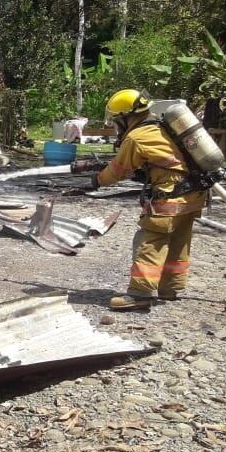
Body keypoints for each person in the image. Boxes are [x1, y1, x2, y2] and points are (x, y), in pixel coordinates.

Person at [90, 89, 208, 311]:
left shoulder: (137, 137)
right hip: (195, 193)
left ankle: (140, 294)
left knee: (150, 241)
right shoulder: (161, 127)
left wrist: (97, 180)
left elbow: (118, 170)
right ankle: (169, 288)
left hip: (170, 195)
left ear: (126, 117)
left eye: (118, 121)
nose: (118, 127)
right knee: (178, 240)